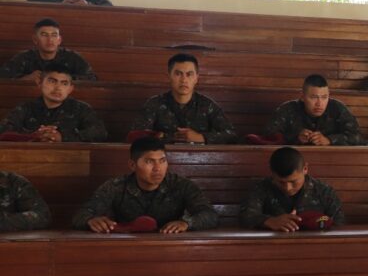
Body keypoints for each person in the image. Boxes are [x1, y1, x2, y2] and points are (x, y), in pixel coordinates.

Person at [72, 136, 219, 234]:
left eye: (162, 161)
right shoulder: (116, 186)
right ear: (132, 165)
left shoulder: (181, 185)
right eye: (149, 162)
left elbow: (210, 215)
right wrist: (90, 220)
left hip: (170, 247)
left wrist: (186, 223)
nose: (157, 168)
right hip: (126, 248)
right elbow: (80, 216)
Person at [131, 53, 237, 144]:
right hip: (163, 159)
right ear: (169, 76)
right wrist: (169, 138)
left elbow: (231, 135)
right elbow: (136, 136)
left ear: (196, 78)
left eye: (189, 74)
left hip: (200, 159)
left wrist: (200, 137)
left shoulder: (207, 105)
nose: (184, 80)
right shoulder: (154, 104)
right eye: (178, 74)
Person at [239, 147, 346, 231]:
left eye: (293, 181)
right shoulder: (262, 188)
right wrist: (268, 221)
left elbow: (338, 222)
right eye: (281, 182)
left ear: (305, 169)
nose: (288, 188)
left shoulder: (323, 191)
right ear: (272, 173)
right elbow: (245, 216)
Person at [0, 64, 107, 142]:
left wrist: (62, 137)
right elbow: (3, 131)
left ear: (70, 89)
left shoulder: (81, 109)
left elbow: (100, 132)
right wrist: (35, 136)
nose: (58, 88)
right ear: (39, 83)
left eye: (64, 83)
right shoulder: (26, 108)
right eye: (52, 81)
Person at [264, 74, 364, 146]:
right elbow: (268, 134)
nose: (319, 103)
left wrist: (329, 140)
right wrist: (296, 137)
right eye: (314, 97)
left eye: (324, 97)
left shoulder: (337, 108)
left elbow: (357, 137)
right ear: (302, 96)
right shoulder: (288, 109)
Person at [0, 18, 97, 80]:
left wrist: (63, 78)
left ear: (59, 40)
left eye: (54, 35)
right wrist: (25, 79)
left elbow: (92, 78)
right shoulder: (24, 57)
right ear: (35, 39)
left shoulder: (72, 57)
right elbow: (3, 77)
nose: (50, 40)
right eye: (44, 35)